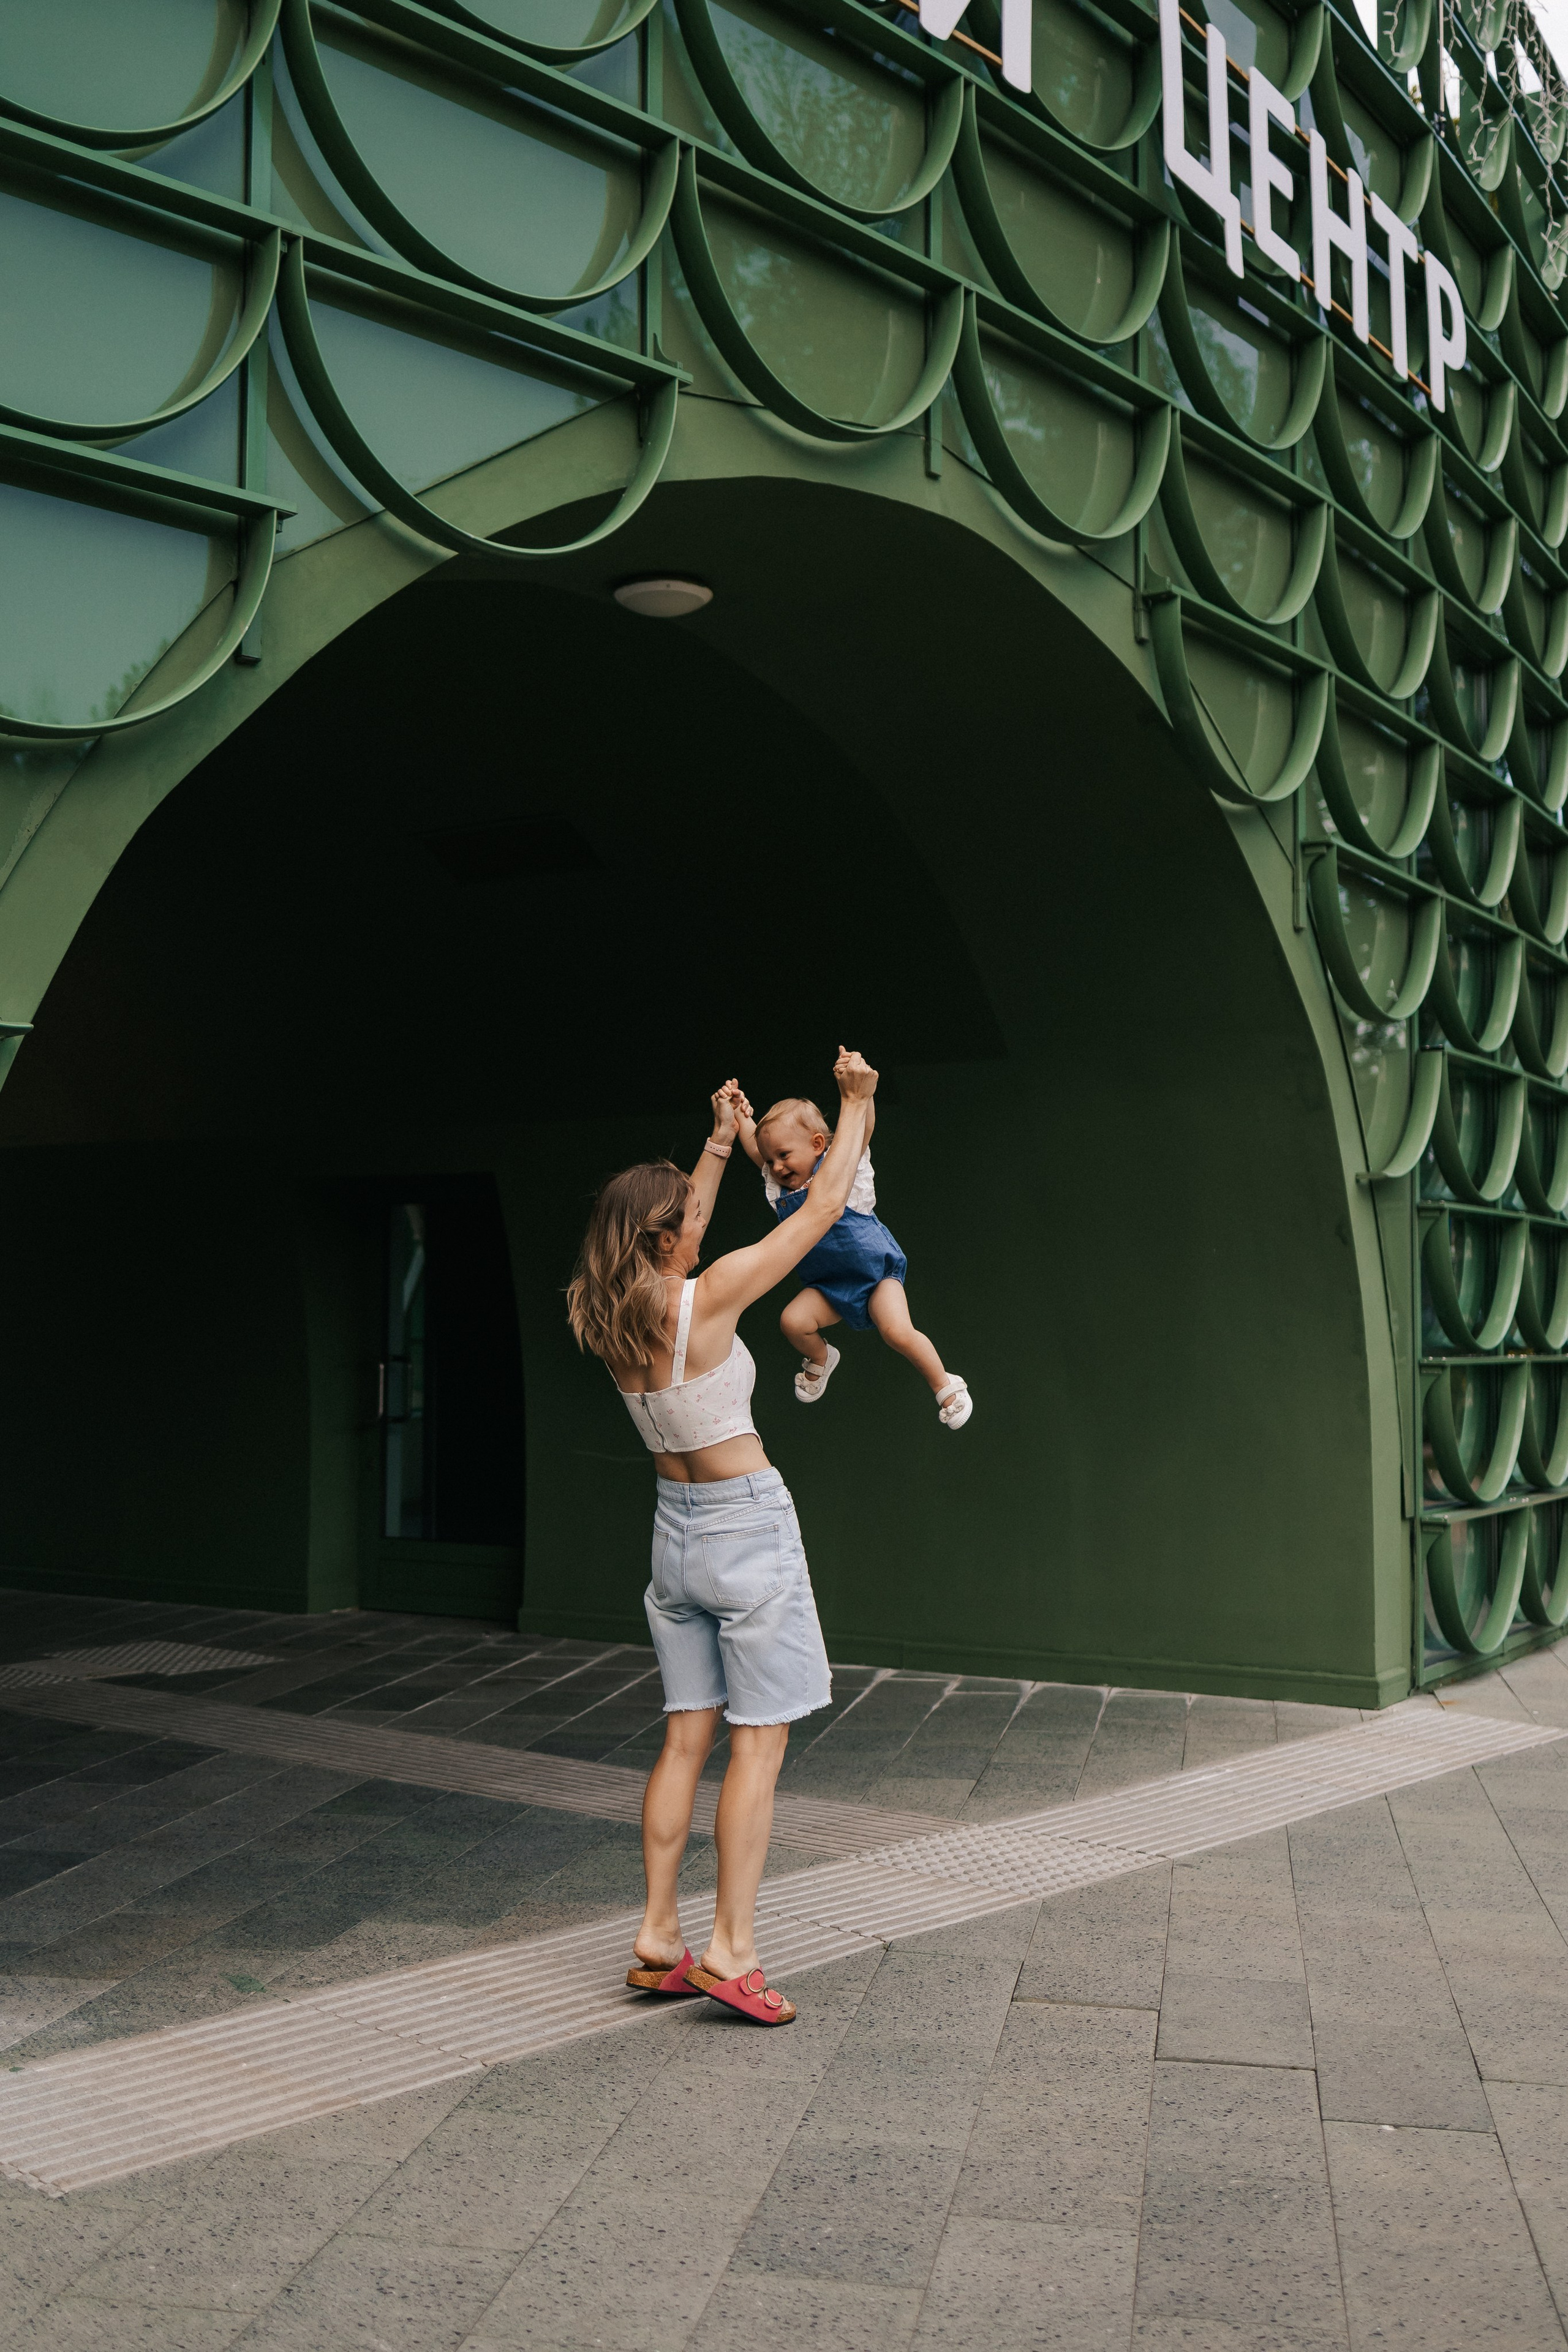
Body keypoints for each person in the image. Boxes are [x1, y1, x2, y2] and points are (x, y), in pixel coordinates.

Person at [565, 1047, 878, 2026]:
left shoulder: (608, 1314)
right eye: (692, 1218)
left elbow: (681, 1231)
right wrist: (857, 1106)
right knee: (759, 1743)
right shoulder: (713, 1300)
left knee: (686, 1736)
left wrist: (713, 1145)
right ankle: (732, 1952)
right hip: (745, 1525)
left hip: (675, 1538)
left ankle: (660, 1937)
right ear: (669, 1236)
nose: (707, 1220)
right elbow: (825, 1209)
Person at [734, 1092, 971, 1429]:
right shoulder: (780, 1187)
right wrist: (741, 1116)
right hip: (828, 1287)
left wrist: (863, 1093)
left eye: (784, 1156)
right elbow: (756, 1149)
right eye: (772, 1161)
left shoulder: (840, 1169)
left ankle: (945, 1386)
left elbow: (863, 1128)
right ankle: (821, 1357)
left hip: (876, 1278)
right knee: (792, 1320)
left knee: (898, 1332)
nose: (776, 1167)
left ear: (818, 1144)